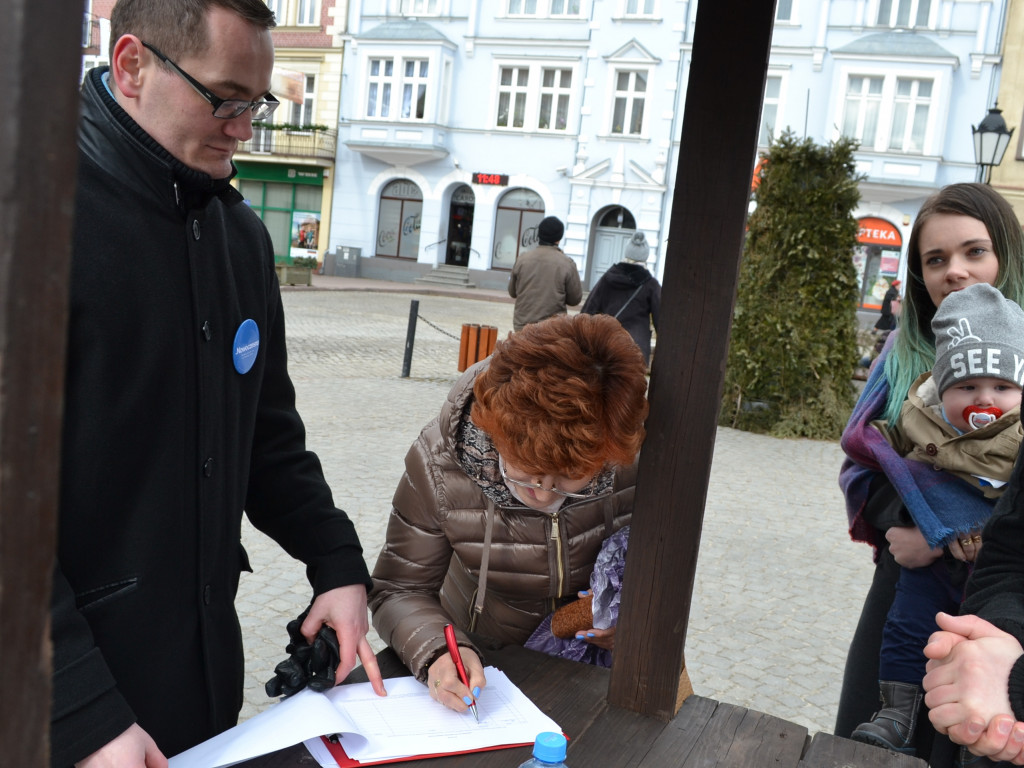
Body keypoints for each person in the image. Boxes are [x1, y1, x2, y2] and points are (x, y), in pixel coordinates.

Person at [53, 2, 384, 766]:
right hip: (67, 709)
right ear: (132, 65)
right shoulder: (36, 218)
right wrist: (80, 716)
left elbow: (266, 435)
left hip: (201, 691)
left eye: (256, 104)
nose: (244, 128)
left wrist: (334, 562)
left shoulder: (238, 236)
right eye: (226, 98)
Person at [369, 313, 648, 715]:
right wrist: (437, 650)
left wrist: (634, 622)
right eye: (525, 471)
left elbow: (660, 564)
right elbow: (398, 588)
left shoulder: (629, 454)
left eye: (571, 477)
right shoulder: (440, 461)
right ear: (496, 434)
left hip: (594, 677)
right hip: (486, 661)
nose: (542, 493)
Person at [836, 182, 1024, 761]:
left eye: (974, 251)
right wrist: (912, 523)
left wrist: (961, 529)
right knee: (877, 737)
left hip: (1006, 600)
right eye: (935, 259)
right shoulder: (901, 355)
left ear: (1007, 256)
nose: (955, 272)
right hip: (909, 582)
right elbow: (864, 468)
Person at [580, 231, 662, 367]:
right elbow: (661, 320)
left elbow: (588, 310)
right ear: (645, 257)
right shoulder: (651, 284)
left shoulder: (607, 278)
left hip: (608, 344)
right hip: (636, 348)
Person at [507, 216, 583, 332]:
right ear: (559, 238)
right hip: (552, 329)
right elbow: (575, 299)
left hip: (522, 327)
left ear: (539, 235)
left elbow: (512, 292)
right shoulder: (567, 263)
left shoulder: (522, 259)